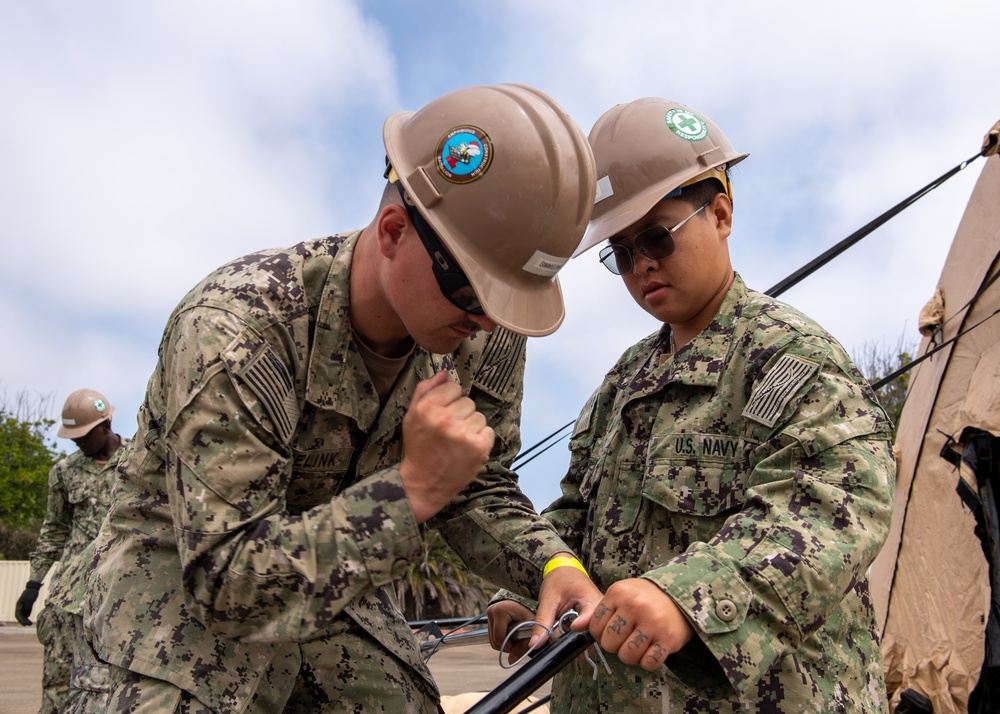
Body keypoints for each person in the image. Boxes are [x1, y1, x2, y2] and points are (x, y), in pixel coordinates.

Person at [82, 83, 601, 713]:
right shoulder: (237, 329)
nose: (490, 322)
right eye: (475, 293)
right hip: (181, 584)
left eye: (508, 301)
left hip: (336, 576)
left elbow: (478, 487)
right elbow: (226, 579)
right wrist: (411, 491)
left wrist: (553, 567)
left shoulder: (483, 329)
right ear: (393, 231)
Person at [487, 98, 896, 712]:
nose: (642, 264)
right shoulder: (623, 380)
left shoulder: (793, 357)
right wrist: (544, 581)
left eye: (656, 236)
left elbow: (835, 509)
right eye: (621, 254)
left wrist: (688, 597)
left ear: (722, 213)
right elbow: (576, 512)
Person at [15, 388, 127, 714]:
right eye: (73, 437)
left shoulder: (137, 464)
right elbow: (53, 531)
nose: (76, 442)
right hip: (70, 597)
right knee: (58, 681)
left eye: (84, 435)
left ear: (106, 424)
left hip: (120, 595)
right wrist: (33, 584)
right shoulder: (64, 472)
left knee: (116, 687)